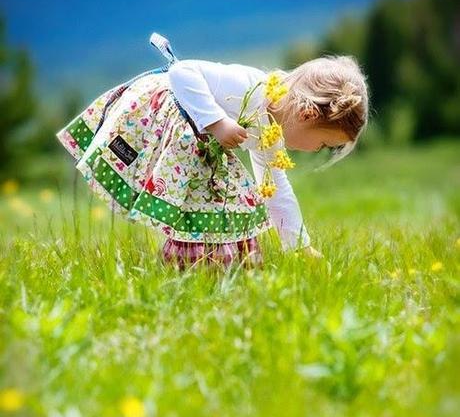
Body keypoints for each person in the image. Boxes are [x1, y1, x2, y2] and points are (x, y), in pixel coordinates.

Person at [55, 32, 369, 269]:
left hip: (199, 143)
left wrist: (299, 246)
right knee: (215, 198)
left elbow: (275, 191)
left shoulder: (272, 133)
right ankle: (198, 263)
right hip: (168, 114)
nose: (318, 150)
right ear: (307, 115)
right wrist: (217, 123)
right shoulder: (249, 86)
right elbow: (182, 72)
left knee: (226, 200)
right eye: (325, 144)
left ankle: (204, 264)